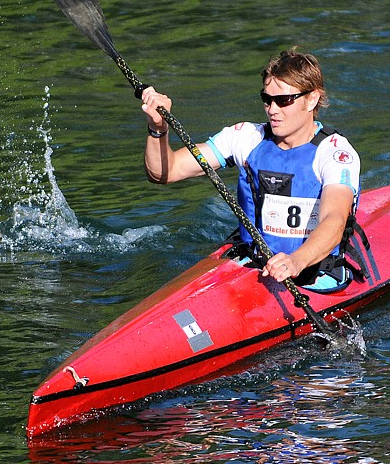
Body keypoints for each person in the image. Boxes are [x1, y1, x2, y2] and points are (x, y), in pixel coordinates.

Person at [141, 47, 361, 292]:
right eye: (267, 99)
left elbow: (335, 219)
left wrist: (295, 262)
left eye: (284, 100)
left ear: (312, 99)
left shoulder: (334, 153)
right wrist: (158, 128)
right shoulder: (246, 137)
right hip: (253, 265)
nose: (272, 109)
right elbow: (166, 171)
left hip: (315, 271)